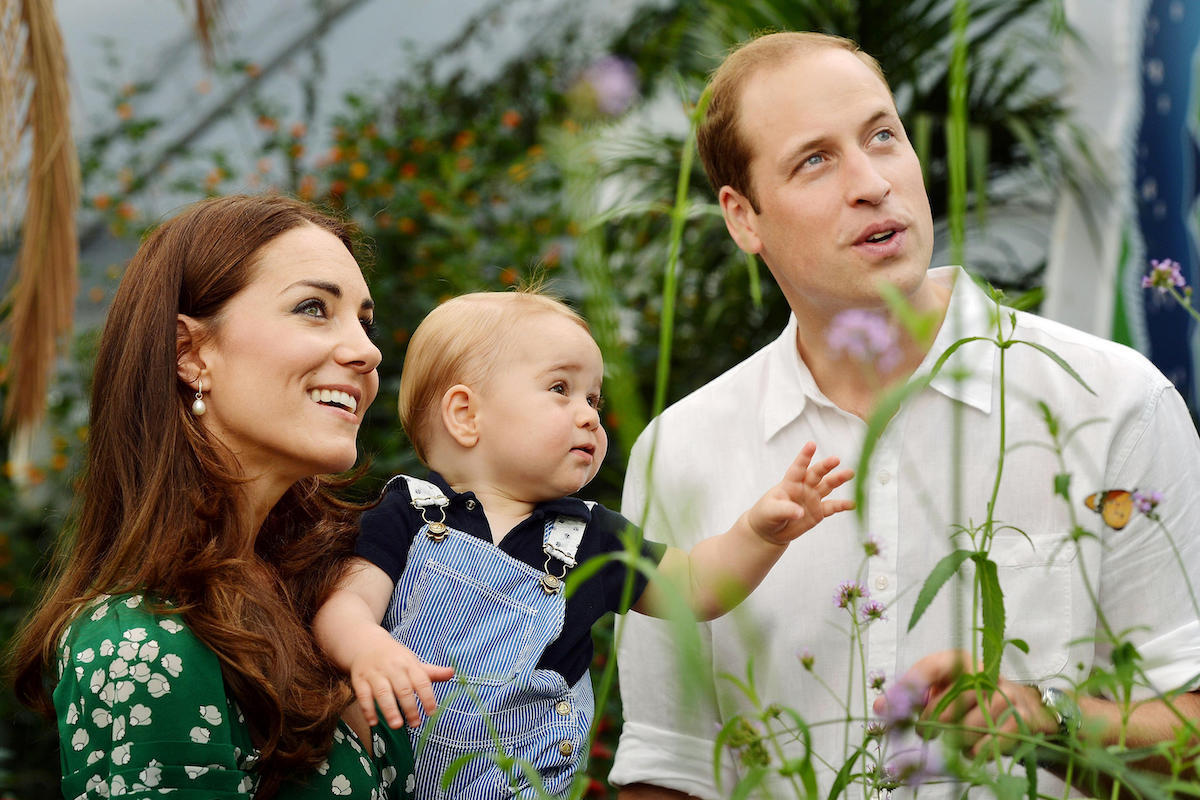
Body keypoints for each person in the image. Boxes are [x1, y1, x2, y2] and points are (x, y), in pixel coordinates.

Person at [610, 31, 1200, 799]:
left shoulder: (1113, 402)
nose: (870, 183)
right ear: (743, 218)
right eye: (814, 160)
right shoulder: (681, 450)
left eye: (882, 136)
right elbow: (670, 767)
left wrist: (1041, 718)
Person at [311, 289, 856, 798]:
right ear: (466, 414)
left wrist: (758, 534)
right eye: (560, 389)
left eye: (593, 398)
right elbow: (347, 604)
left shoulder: (591, 535)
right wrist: (369, 649)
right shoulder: (410, 510)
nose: (590, 415)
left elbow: (695, 586)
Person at [8, 194, 417, 798]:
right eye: (313, 308)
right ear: (190, 353)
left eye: (365, 320)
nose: (367, 350)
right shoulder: (141, 642)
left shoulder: (335, 603)